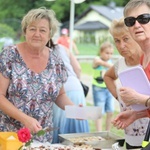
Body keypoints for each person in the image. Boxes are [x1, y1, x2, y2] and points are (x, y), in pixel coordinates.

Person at [0, 7, 77, 143]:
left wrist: (75, 109)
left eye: (42, 30)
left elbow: (60, 95)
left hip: (43, 135)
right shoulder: (9, 55)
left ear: (49, 35)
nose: (37, 34)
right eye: (32, 29)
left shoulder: (56, 60)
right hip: (11, 135)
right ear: (25, 31)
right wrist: (24, 118)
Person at [103, 17, 149, 149]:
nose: (121, 46)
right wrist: (119, 98)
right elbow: (107, 76)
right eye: (117, 41)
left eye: (126, 39)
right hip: (130, 128)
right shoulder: (119, 64)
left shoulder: (147, 61)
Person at [112, 0, 150, 134]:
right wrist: (136, 115)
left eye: (144, 19)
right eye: (130, 21)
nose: (137, 25)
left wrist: (138, 99)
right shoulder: (143, 58)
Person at [52, 44, 89, 143]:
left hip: (58, 89)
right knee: (78, 128)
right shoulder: (62, 48)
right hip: (75, 86)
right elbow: (78, 68)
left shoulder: (42, 51)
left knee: (58, 128)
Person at [92, 41, 114, 131]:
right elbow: (97, 62)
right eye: (107, 53)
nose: (109, 55)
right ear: (101, 52)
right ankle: (99, 132)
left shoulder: (110, 61)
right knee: (99, 112)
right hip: (98, 88)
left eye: (111, 53)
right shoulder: (97, 59)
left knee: (110, 111)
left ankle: (107, 131)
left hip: (109, 88)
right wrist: (108, 65)